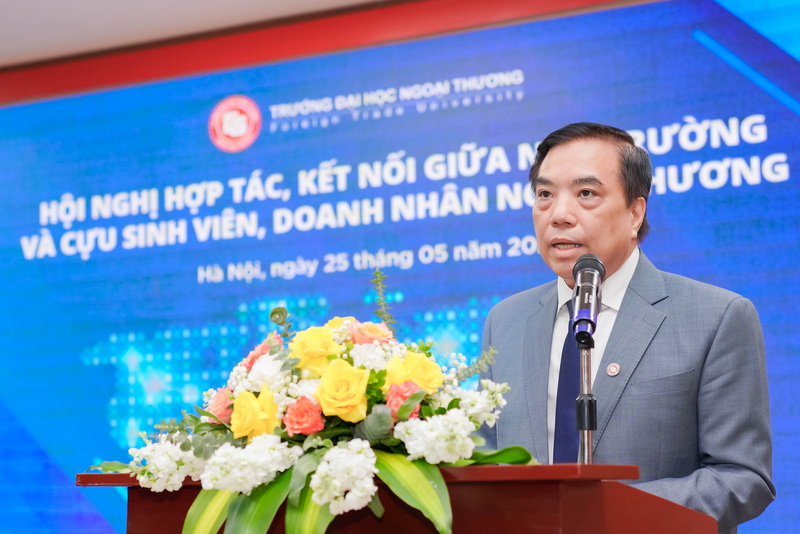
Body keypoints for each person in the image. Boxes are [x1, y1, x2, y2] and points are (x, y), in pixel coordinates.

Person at [480, 122, 775, 532]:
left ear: (635, 213)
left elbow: (742, 477)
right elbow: (486, 460)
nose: (559, 215)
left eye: (586, 194)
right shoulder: (505, 320)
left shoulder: (717, 316)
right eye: (545, 195)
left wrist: (607, 513)